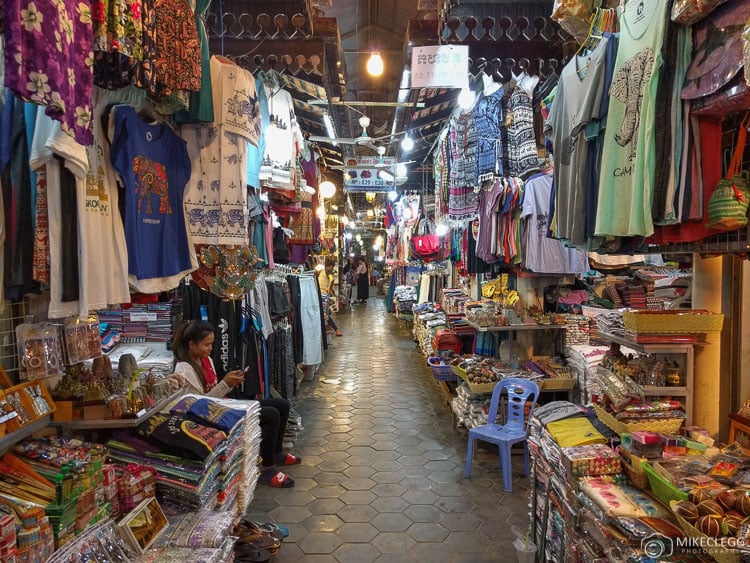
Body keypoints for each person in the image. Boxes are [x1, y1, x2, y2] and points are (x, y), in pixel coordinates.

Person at [172, 320, 301, 488]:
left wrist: (230, 382)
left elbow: (215, 391)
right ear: (191, 345)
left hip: (223, 406)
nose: (211, 348)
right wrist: (226, 384)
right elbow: (200, 406)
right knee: (271, 415)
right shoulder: (184, 371)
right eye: (207, 345)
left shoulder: (206, 360)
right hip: (211, 415)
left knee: (282, 405)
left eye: (211, 344)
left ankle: (276, 453)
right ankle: (267, 468)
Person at [317, 263, 342, 336]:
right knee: (325, 313)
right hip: (323, 294)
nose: (333, 268)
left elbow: (332, 280)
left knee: (324, 314)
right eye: (332, 266)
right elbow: (331, 280)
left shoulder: (325, 271)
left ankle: (336, 329)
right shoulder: (325, 271)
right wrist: (330, 291)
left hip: (322, 294)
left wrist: (329, 290)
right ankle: (335, 329)